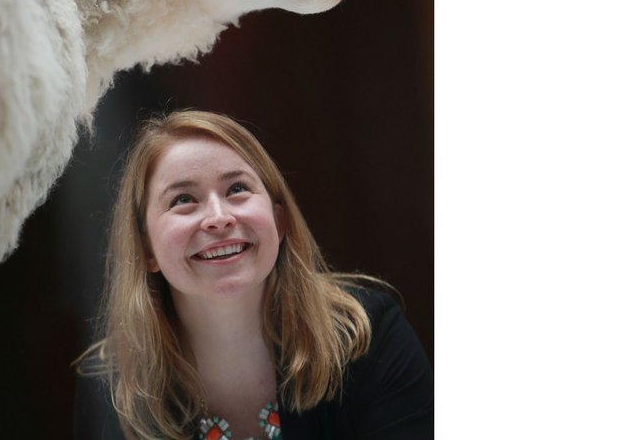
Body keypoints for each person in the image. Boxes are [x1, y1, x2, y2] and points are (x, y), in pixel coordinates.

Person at [74, 110, 433, 439]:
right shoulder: (110, 388)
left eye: (237, 189)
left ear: (279, 222)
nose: (218, 216)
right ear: (147, 248)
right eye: (183, 199)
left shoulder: (367, 337)